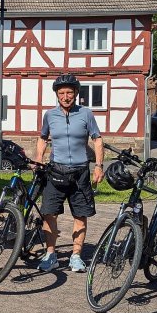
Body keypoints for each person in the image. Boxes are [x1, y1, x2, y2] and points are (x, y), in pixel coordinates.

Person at [35, 74, 104, 273]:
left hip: (80, 172)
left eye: (70, 93)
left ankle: (76, 256)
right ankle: (51, 255)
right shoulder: (49, 115)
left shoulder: (86, 114)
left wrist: (99, 166)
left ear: (76, 94)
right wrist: (39, 159)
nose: (66, 97)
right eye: (62, 93)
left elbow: (97, 140)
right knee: (49, 213)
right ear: (57, 95)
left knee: (81, 215)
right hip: (55, 171)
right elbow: (42, 138)